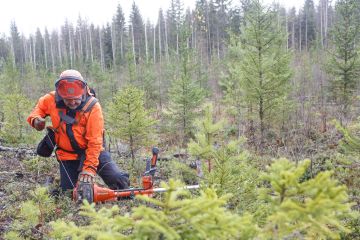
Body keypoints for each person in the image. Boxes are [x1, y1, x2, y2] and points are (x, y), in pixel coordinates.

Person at [27, 69, 129, 192]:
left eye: (76, 99)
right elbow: (36, 112)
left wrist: (89, 168)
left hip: (94, 151)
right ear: (60, 94)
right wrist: (36, 121)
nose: (73, 102)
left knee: (119, 181)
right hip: (67, 154)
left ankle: (101, 191)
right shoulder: (50, 99)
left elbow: (95, 141)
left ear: (83, 92)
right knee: (70, 193)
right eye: (68, 100)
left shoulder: (93, 107)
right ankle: (84, 191)